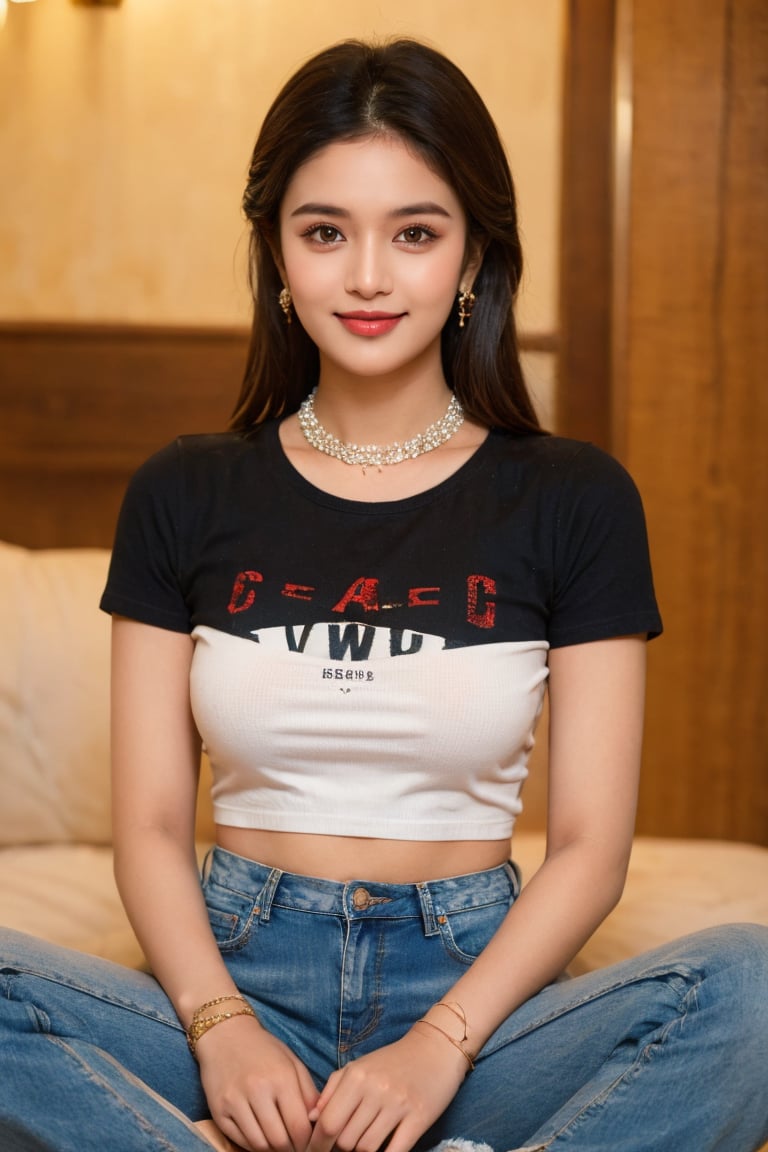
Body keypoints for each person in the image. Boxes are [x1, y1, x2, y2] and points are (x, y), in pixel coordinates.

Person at [0, 37, 766, 1152]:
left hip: (474, 1000)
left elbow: (593, 847)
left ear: (470, 258)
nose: (367, 276)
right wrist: (220, 1027)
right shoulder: (185, 490)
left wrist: (440, 1044)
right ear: (275, 252)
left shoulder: (573, 498)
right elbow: (154, 829)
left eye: (415, 232)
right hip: (233, 974)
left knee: (748, 988)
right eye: (325, 232)